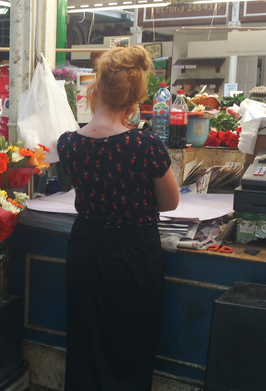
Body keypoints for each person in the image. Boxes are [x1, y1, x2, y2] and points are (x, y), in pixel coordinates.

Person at [57, 45, 179, 391]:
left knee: (86, 343)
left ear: (94, 90)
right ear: (135, 98)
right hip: (133, 255)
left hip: (85, 251)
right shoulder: (146, 145)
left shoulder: (68, 144)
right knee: (131, 346)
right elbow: (170, 202)